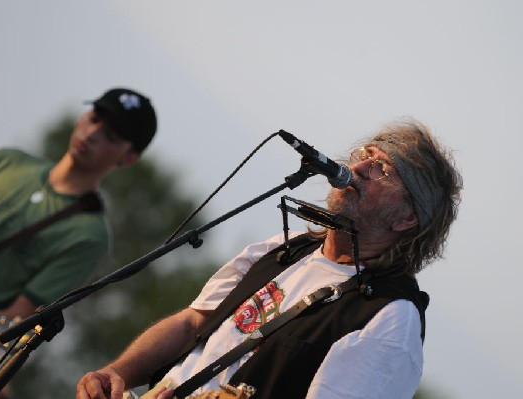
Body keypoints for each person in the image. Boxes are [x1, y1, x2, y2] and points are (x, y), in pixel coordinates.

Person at [76, 118, 463, 399]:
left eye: (382, 170)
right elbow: (191, 323)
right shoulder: (281, 248)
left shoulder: (390, 319)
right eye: (364, 155)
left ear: (408, 217)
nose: (356, 167)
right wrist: (116, 374)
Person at [0, 87, 158, 399]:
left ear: (128, 158)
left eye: (112, 136)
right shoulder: (7, 162)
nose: (92, 133)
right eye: (94, 118)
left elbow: (12, 321)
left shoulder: (88, 235)